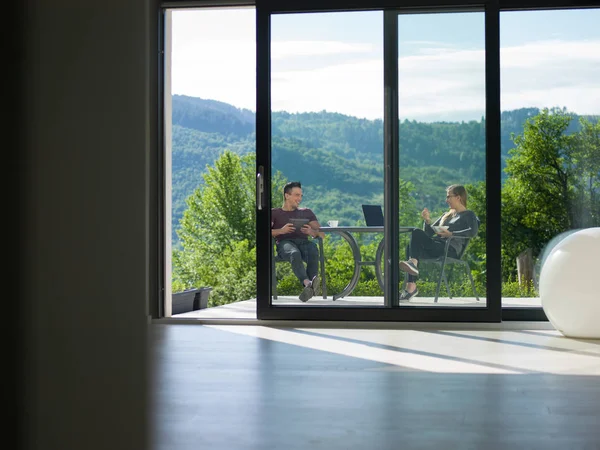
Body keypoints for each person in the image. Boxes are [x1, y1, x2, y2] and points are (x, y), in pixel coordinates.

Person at [398, 184, 479, 301]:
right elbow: (428, 234)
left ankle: (412, 273)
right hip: (437, 246)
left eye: (448, 197)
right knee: (410, 244)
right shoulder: (446, 215)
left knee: (415, 233)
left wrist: (451, 234)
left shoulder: (469, 215)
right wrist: (427, 221)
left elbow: (472, 232)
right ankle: (411, 284)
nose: (446, 200)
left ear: (458, 197)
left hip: (449, 249)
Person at [271, 181, 325, 302]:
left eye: (301, 195)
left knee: (313, 250)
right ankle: (308, 284)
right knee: (294, 253)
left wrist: (311, 232)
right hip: (285, 244)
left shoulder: (307, 212)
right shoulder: (274, 213)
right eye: (296, 195)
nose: (299, 198)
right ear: (287, 195)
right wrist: (281, 230)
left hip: (303, 243)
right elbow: (264, 232)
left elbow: (322, 234)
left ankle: (310, 286)